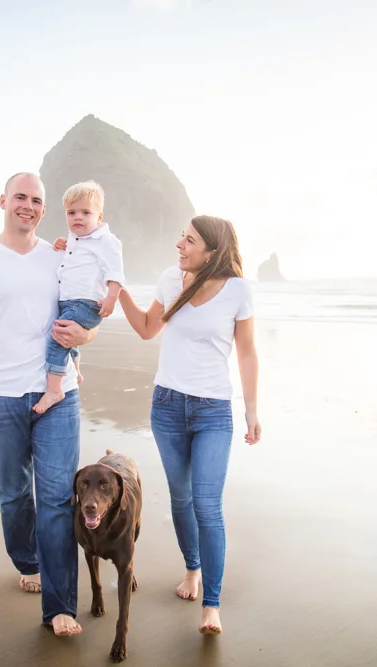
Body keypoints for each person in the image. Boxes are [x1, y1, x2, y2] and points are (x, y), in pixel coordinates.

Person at [0, 172, 97, 637]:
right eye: (20, 197)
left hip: (58, 393)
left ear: (44, 210)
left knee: (55, 498)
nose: (28, 206)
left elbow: (84, 316)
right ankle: (27, 560)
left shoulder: (61, 257)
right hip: (2, 397)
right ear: (3, 201)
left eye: (37, 201)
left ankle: (60, 606)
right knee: (13, 493)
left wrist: (84, 338)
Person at [116, 215, 261, 636]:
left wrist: (251, 409)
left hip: (213, 411)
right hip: (166, 406)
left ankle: (211, 604)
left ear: (212, 252)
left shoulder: (238, 291)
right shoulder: (170, 280)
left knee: (206, 504)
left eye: (190, 239)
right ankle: (192, 570)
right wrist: (117, 289)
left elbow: (248, 353)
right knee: (181, 498)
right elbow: (147, 329)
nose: (180, 244)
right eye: (181, 235)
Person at [33, 179, 124, 414]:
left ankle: (54, 389)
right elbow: (70, 263)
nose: (78, 217)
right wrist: (61, 245)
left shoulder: (106, 241)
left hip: (87, 303)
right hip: (69, 301)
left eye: (86, 212)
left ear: (99, 217)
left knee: (58, 336)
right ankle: (75, 367)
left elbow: (115, 272)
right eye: (72, 212)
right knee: (69, 342)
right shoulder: (75, 239)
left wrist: (111, 298)